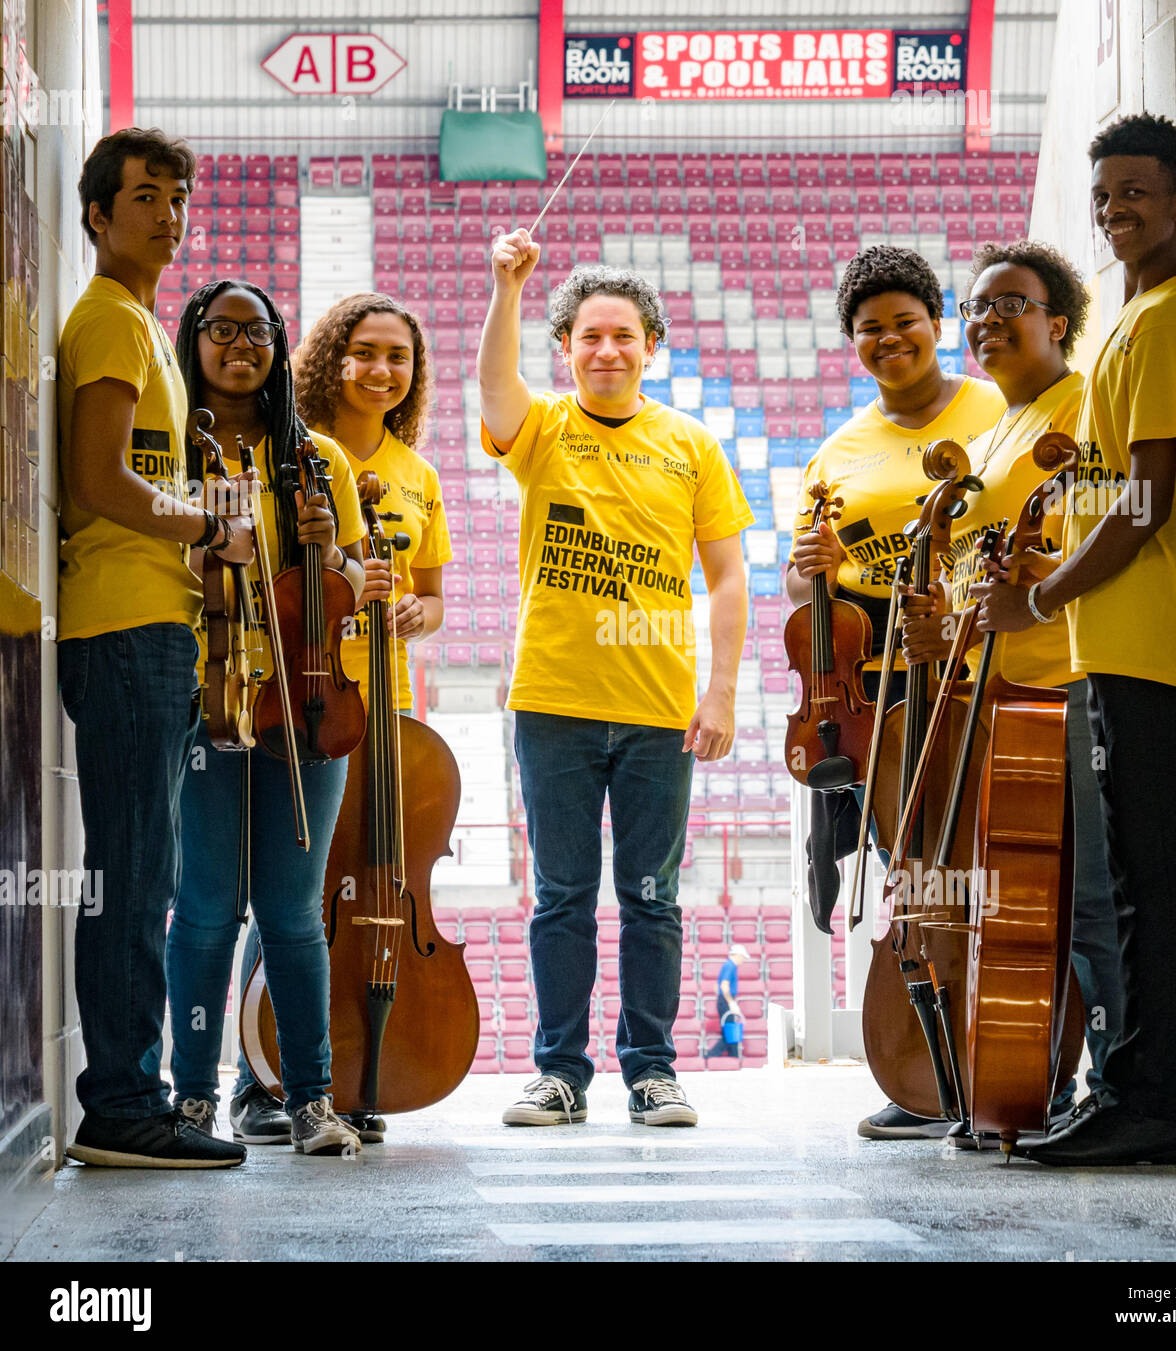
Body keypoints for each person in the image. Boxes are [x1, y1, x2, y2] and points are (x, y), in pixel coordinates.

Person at [978, 114, 1176, 1166]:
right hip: (1114, 636)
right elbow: (1107, 497)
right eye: (1103, 194)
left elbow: (1146, 503)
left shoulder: (1169, 317)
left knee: (1153, 879)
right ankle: (1131, 1088)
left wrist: (1033, 607)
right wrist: (1045, 579)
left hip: (1151, 638)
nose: (1116, 209)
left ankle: (1158, 1104)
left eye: (1136, 192)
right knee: (1132, 873)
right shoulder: (1132, 319)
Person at [480, 236, 752, 1127]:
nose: (606, 350)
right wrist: (507, 288)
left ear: (650, 345)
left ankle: (652, 1071)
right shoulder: (545, 428)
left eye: (623, 335)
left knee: (650, 896)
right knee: (561, 895)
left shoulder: (691, 445)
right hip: (553, 701)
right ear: (567, 348)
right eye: (589, 336)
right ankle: (559, 1071)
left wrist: (720, 693)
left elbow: (727, 575)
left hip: (657, 708)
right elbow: (492, 391)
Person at [900, 240, 1122, 1148]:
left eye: (1009, 305)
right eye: (976, 309)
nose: (986, 321)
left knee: (1094, 902)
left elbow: (1093, 535)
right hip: (993, 697)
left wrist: (1025, 577)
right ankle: (1036, 1083)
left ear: (1056, 321)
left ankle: (1113, 1086)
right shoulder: (994, 431)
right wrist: (938, 625)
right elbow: (978, 576)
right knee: (1033, 909)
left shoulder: (1082, 405)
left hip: (1060, 684)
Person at [57, 128, 249, 1167]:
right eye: (142, 195)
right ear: (96, 213)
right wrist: (210, 528)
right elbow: (100, 481)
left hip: (143, 627)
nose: (165, 213)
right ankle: (122, 1105)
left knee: (142, 871)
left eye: (175, 195)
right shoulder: (113, 323)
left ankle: (131, 1097)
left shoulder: (128, 321)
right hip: (127, 627)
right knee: (135, 874)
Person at [785, 245, 1004, 1140]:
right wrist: (814, 571)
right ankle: (923, 1073)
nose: (889, 338)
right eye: (869, 327)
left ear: (937, 322)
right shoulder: (838, 451)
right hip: (886, 702)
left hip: (984, 672)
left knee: (992, 876)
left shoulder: (996, 409)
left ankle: (1015, 1063)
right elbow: (808, 595)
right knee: (917, 880)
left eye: (905, 320)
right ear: (852, 342)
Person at [164, 281, 369, 1157]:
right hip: (208, 691)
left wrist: (329, 552)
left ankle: (310, 1098)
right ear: (194, 338)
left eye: (259, 331)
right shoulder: (170, 449)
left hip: (307, 699)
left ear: (282, 347)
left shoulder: (320, 459)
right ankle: (192, 1100)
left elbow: (357, 585)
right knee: (207, 905)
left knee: (290, 910)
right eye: (222, 329)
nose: (240, 345)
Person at [291, 291, 450, 1142]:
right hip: (308, 697)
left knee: (367, 882)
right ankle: (267, 1072)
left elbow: (433, 599)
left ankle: (350, 1074)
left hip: (381, 705)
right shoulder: (296, 457)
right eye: (365, 352)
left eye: (399, 356)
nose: (383, 369)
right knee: (299, 894)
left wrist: (409, 613)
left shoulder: (416, 474)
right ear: (332, 360)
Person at [703, 945, 750, 1059]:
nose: (743, 960)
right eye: (742, 957)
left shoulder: (728, 965)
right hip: (726, 1001)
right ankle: (710, 1057)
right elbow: (724, 986)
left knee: (729, 1032)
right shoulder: (730, 966)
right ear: (738, 955)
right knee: (730, 1033)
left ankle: (733, 1058)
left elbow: (717, 986)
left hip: (723, 1000)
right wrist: (731, 1002)